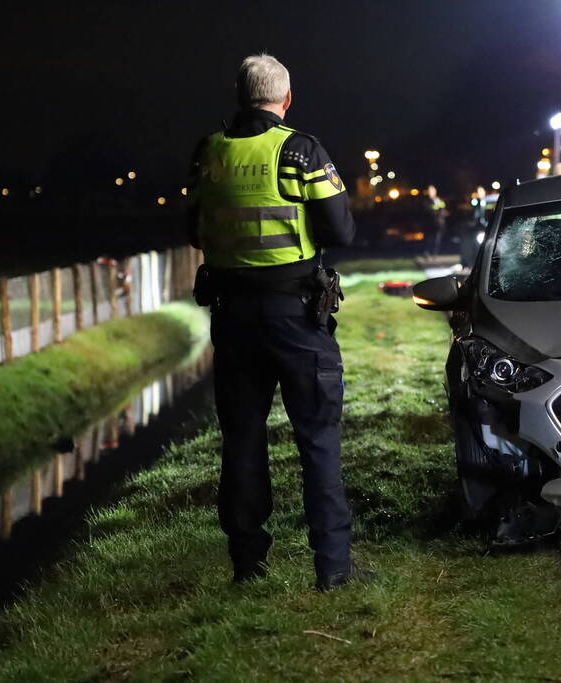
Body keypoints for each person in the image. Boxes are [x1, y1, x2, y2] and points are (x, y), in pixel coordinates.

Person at [186, 53, 367, 591]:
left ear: (241, 97)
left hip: (233, 318)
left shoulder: (207, 153)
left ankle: (248, 567)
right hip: (297, 318)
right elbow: (341, 231)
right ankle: (333, 570)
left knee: (242, 440)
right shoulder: (300, 150)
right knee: (317, 440)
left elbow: (195, 232)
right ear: (285, 100)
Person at [425, 184, 448, 253]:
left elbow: (443, 208)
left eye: (433, 191)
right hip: (430, 223)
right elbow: (428, 210)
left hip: (439, 223)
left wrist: (442, 213)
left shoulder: (439, 200)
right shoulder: (427, 201)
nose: (431, 192)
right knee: (430, 239)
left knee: (438, 239)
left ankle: (436, 253)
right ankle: (428, 252)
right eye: (430, 191)